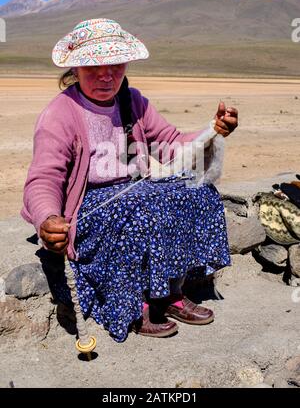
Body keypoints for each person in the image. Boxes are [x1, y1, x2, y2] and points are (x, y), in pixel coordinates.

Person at [21, 18, 238, 342]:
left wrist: (212, 131)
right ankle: (131, 306)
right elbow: (44, 177)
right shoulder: (61, 113)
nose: (107, 76)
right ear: (76, 69)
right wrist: (47, 218)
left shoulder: (133, 101)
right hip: (90, 202)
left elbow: (170, 143)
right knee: (140, 214)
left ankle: (170, 293)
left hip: (135, 189)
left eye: (116, 66)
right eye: (95, 67)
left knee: (199, 193)